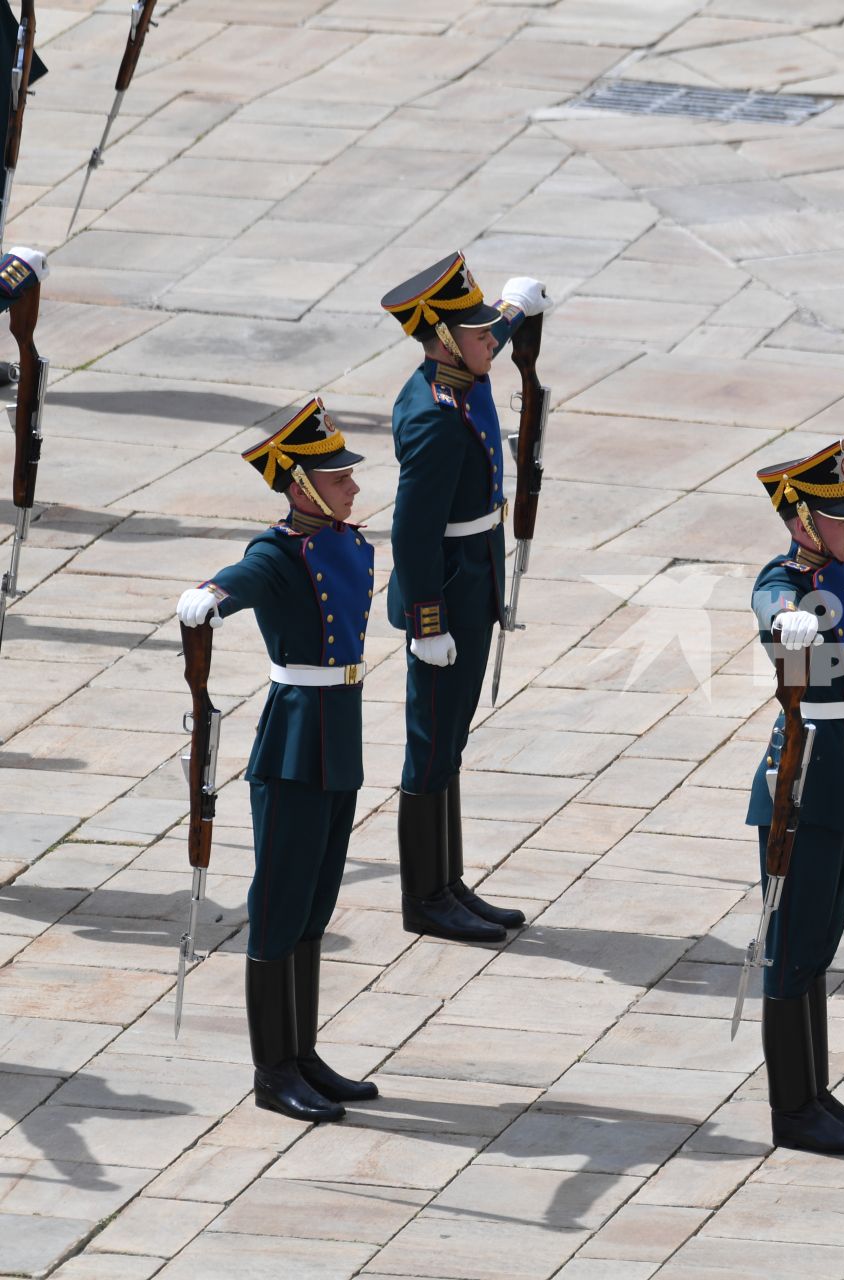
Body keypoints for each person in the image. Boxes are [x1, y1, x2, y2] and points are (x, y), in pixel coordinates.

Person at [174, 400, 379, 1123]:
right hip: (295, 739)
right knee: (280, 901)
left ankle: (304, 1053)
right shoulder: (280, 552)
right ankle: (273, 1070)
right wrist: (208, 597)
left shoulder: (349, 544)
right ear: (300, 487)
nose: (353, 486)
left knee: (316, 902)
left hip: (340, 735)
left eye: (350, 475)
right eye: (338, 477)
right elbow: (243, 577)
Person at [379, 252, 552, 944]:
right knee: (431, 744)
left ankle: (448, 883)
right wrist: (427, 623)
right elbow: (412, 531)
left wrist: (517, 305)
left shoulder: (465, 362)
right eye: (478, 333)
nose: (492, 340)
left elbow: (498, 329)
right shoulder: (434, 418)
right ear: (445, 341)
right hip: (447, 585)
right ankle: (424, 896)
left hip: (475, 570)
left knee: (452, 739)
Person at [747, 440, 844, 1155]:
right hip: (807, 774)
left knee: (820, 942)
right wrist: (784, 621)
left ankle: (814, 1090)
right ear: (802, 521)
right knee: (791, 945)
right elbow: (768, 598)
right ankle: (791, 1109)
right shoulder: (789, 580)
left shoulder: (836, 572)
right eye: (840, 517)